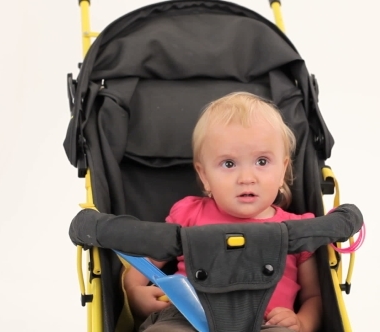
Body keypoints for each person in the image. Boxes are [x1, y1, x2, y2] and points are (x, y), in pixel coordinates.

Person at [123, 91, 322, 332]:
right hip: (190, 317)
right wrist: (134, 292)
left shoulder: (298, 230)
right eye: (229, 164)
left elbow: (315, 297)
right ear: (204, 175)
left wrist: (302, 322)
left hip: (266, 322)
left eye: (262, 161)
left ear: (282, 170)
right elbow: (143, 263)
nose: (247, 178)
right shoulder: (189, 214)